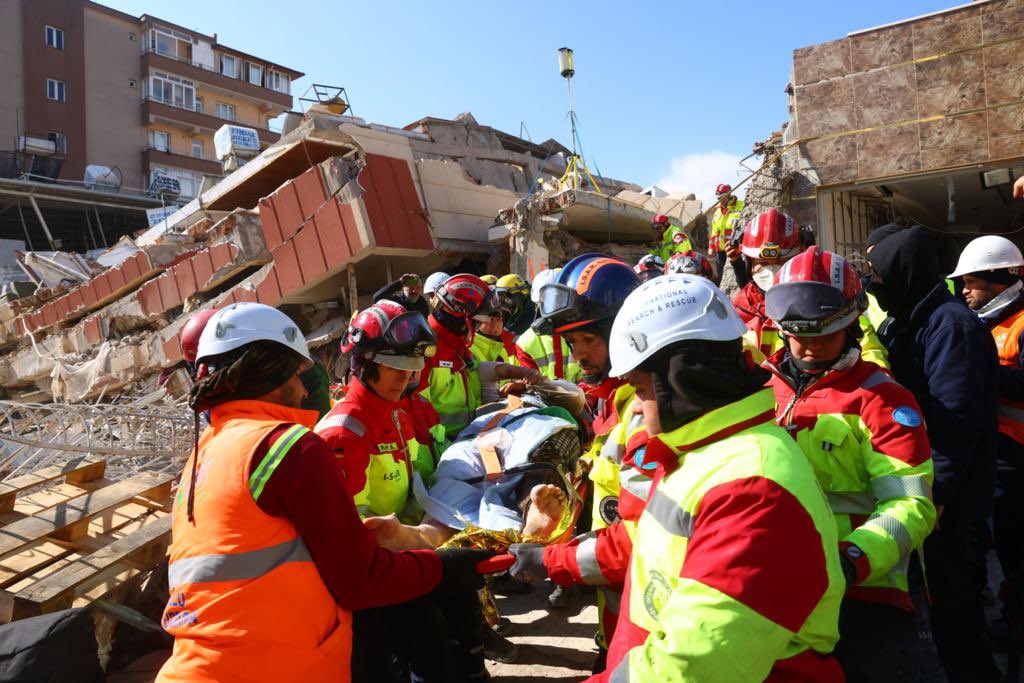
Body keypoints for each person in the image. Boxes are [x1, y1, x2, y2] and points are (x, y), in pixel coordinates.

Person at [156, 302, 489, 683]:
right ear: (273, 373)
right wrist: (445, 566)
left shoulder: (204, 457)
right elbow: (360, 581)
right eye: (299, 375)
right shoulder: (287, 446)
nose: (302, 390)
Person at [580, 274, 844, 681]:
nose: (635, 408)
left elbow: (690, 669)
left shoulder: (754, 491)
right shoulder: (703, 456)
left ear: (679, 380)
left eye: (641, 389)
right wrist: (551, 560)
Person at [763, 247, 941, 681]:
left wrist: (849, 560)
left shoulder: (883, 400)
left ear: (853, 323)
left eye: (826, 332)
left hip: (866, 591)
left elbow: (911, 504)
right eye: (797, 333)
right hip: (779, 582)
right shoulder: (760, 391)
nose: (809, 346)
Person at [867, 225, 1001, 682]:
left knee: (956, 608)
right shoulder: (911, 318)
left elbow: (956, 420)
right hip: (928, 491)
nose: (875, 285)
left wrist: (936, 494)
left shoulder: (951, 326)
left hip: (951, 497)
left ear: (904, 271)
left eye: (881, 274)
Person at [532, 252, 640, 649]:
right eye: (572, 341)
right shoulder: (612, 400)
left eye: (589, 340)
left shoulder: (644, 410)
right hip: (613, 593)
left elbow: (641, 534)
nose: (578, 354)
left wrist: (551, 562)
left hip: (640, 600)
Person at [949, 234, 1024, 647]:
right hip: (997, 458)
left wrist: (982, 371)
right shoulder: (988, 322)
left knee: (1015, 550)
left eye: (970, 283)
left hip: (1017, 460)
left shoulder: (1021, 323)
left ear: (998, 280)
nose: (964, 291)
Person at [733, 208, 888, 367]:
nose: (773, 270)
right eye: (762, 263)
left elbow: (870, 352)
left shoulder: (829, 296)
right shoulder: (739, 308)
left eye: (782, 261)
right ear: (748, 265)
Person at [418, 274, 490, 440]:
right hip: (442, 449)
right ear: (461, 316)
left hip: (465, 437)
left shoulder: (455, 342)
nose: (477, 328)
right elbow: (420, 414)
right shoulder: (424, 348)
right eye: (475, 322)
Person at [514, 268, 582, 382]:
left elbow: (592, 381)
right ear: (538, 305)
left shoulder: (584, 333)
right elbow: (532, 386)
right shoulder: (525, 343)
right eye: (549, 305)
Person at [708, 183, 745, 278]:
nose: (720, 200)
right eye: (718, 198)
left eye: (722, 197)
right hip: (720, 251)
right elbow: (714, 231)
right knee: (721, 276)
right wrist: (711, 247)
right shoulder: (717, 212)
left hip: (734, 248)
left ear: (729, 195)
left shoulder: (741, 205)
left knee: (735, 275)